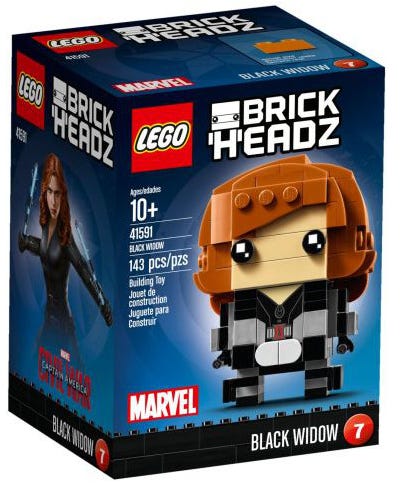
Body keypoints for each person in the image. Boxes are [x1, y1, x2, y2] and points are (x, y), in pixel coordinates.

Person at [194, 154, 376, 405]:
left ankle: (317, 384)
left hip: (310, 337)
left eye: (312, 242)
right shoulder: (241, 303)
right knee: (246, 368)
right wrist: (226, 351)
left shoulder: (322, 292)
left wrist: (342, 336)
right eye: (243, 252)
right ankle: (247, 392)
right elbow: (228, 328)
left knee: (316, 364)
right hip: (253, 340)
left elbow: (337, 313)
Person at [19, 153, 112, 365]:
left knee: (77, 372)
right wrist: (28, 242)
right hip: (48, 318)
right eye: (50, 192)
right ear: (44, 193)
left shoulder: (65, 237)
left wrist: (102, 303)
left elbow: (83, 269)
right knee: (36, 363)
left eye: (58, 194)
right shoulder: (45, 225)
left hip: (63, 323)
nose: (53, 200)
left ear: (63, 196)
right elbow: (46, 251)